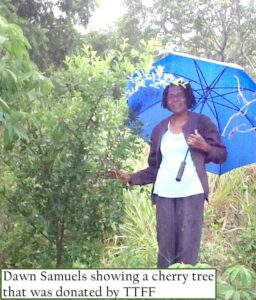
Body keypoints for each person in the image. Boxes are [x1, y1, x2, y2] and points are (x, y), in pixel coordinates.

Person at [108, 80, 227, 268]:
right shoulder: (160, 129)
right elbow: (155, 168)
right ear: (166, 99)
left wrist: (204, 146)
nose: (175, 99)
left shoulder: (202, 123)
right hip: (164, 194)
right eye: (171, 95)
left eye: (180, 95)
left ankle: (185, 292)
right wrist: (131, 177)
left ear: (188, 97)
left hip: (191, 192)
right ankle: (164, 290)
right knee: (165, 248)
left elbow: (221, 155)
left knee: (188, 247)